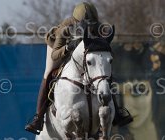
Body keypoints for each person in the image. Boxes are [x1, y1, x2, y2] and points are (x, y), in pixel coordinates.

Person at [25, 2, 133, 135]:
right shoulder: (66, 29)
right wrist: (69, 47)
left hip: (84, 55)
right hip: (58, 48)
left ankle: (117, 112)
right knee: (48, 74)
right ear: (77, 21)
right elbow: (55, 55)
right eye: (87, 24)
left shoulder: (98, 28)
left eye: (92, 24)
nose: (90, 27)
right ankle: (38, 117)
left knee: (103, 76)